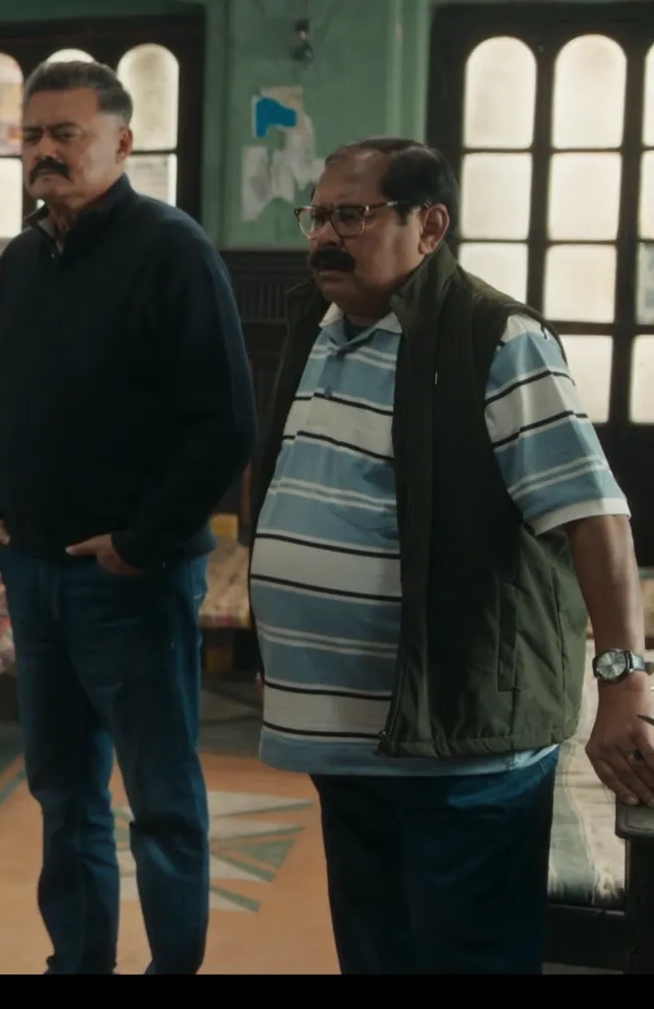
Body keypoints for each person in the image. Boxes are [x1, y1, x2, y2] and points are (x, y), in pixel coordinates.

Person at [247, 136, 646, 974]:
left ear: (429, 227)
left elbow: (594, 514)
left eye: (351, 216)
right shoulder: (316, 324)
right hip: (342, 742)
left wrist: (624, 682)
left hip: (462, 747)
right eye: (317, 216)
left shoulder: (495, 338)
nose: (325, 236)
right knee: (376, 954)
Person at [0, 59, 257, 975]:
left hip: (130, 579)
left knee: (161, 802)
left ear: (123, 143)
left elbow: (228, 426)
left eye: (67, 134)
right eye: (32, 135)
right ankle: (79, 962)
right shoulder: (21, 259)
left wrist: (143, 542)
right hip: (34, 572)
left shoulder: (173, 250)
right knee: (63, 794)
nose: (45, 151)